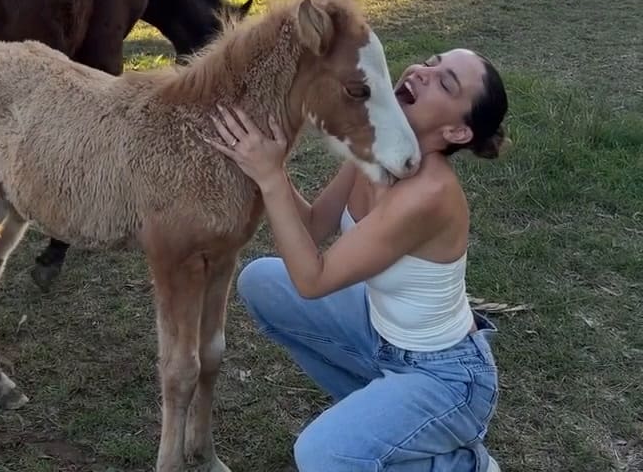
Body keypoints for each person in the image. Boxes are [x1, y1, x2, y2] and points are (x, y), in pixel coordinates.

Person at [207, 48, 509, 472]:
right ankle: (381, 415)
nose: (423, 72)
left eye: (446, 83)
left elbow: (314, 278)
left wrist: (270, 178)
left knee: (322, 455)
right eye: (432, 61)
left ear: (457, 133)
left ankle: (463, 464)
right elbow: (312, 226)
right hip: (380, 337)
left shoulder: (431, 195)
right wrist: (266, 163)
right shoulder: (377, 149)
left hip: (447, 378)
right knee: (260, 282)